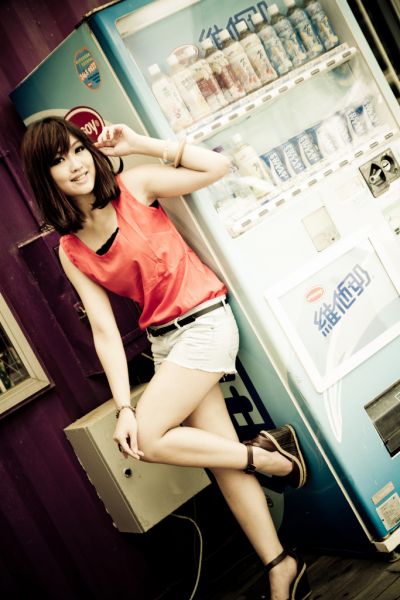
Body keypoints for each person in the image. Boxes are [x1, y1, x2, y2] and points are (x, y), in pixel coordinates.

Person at [21, 116, 311, 600]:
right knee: (219, 460)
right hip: (166, 345)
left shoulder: (133, 187)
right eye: (58, 160)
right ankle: (280, 564)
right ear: (44, 176)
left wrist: (139, 143)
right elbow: (104, 332)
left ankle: (270, 459)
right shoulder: (70, 251)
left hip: (206, 324)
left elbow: (216, 166)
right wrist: (124, 407)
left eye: (77, 150)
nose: (74, 165)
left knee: (149, 438)